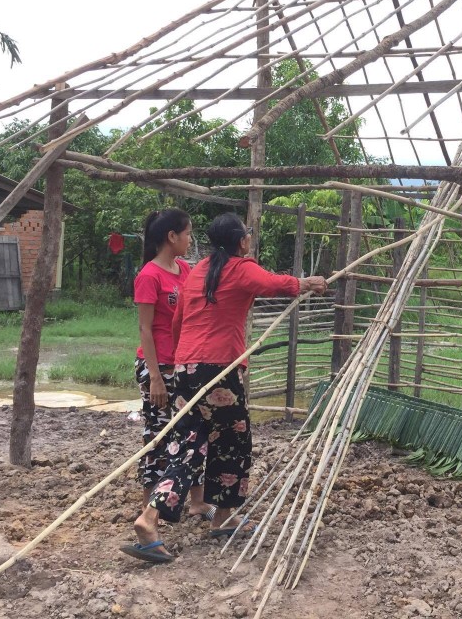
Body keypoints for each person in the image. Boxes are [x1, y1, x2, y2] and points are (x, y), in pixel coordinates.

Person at [121, 213, 328, 563]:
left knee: (188, 445)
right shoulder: (239, 267)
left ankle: (149, 518)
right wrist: (308, 283)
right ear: (242, 241)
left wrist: (185, 358)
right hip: (220, 370)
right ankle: (223, 516)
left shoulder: (198, 269)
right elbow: (274, 284)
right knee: (233, 442)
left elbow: (177, 322)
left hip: (186, 369)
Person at [130, 208, 212, 521]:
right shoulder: (149, 276)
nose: (190, 240)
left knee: (191, 432)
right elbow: (145, 329)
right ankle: (148, 504)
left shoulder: (185, 270)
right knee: (157, 433)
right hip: (158, 366)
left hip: (183, 364)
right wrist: (154, 377)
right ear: (172, 236)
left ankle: (197, 501)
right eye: (188, 233)